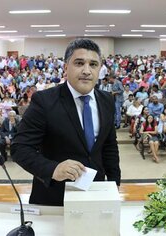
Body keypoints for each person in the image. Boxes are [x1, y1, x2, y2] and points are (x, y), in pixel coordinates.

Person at [12, 38, 121, 206]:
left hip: (96, 192)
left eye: (93, 64)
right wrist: (53, 169)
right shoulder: (44, 101)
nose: (86, 70)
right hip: (55, 196)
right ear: (65, 67)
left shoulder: (106, 100)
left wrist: (114, 183)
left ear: (100, 69)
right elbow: (20, 148)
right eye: (79, 63)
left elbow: (109, 146)